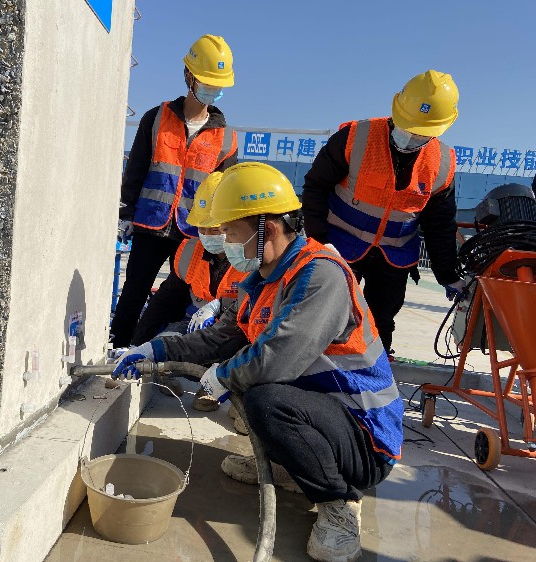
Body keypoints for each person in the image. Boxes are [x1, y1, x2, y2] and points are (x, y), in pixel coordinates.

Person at [113, 162, 403, 562]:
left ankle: (339, 502)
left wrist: (224, 376)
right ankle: (293, 468)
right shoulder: (262, 281)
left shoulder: (319, 275)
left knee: (264, 398)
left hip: (363, 437)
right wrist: (155, 349)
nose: (226, 242)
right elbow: (223, 336)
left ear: (267, 225)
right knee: (252, 391)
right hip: (326, 418)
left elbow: (277, 359)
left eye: (231, 231)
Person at [302, 70, 466, 358]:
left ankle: (374, 369)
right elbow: (315, 187)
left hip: (394, 256)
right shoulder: (355, 137)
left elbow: (439, 225)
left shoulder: (442, 164)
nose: (411, 136)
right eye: (407, 126)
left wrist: (448, 275)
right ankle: (318, 367)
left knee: (381, 319)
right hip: (338, 246)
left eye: (421, 132)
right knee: (327, 312)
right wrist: (319, 241)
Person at [111, 34, 238, 347]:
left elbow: (224, 191)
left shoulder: (226, 138)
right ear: (189, 76)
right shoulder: (156, 118)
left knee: (181, 294)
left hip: (193, 232)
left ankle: (164, 351)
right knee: (135, 289)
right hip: (151, 223)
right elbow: (137, 168)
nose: (212, 90)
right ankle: (120, 347)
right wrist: (126, 212)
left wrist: (221, 233)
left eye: (217, 85)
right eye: (207, 81)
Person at [131, 171, 248, 411]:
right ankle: (172, 377)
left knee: (245, 355)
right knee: (165, 341)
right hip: (197, 328)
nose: (207, 236)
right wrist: (138, 345)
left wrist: (219, 306)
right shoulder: (189, 252)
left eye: (215, 230)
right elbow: (163, 302)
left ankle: (236, 396)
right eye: (202, 229)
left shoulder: (252, 256)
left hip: (238, 330)